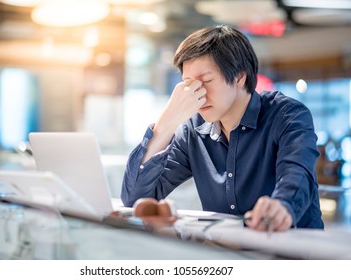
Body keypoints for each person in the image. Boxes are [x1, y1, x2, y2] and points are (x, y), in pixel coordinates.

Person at [121, 25, 324, 231]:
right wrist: (167, 123)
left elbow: (297, 176)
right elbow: (134, 199)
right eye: (188, 84)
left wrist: (281, 206)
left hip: (291, 253)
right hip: (228, 256)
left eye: (207, 80)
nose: (197, 93)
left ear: (239, 77)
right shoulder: (193, 131)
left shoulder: (288, 115)